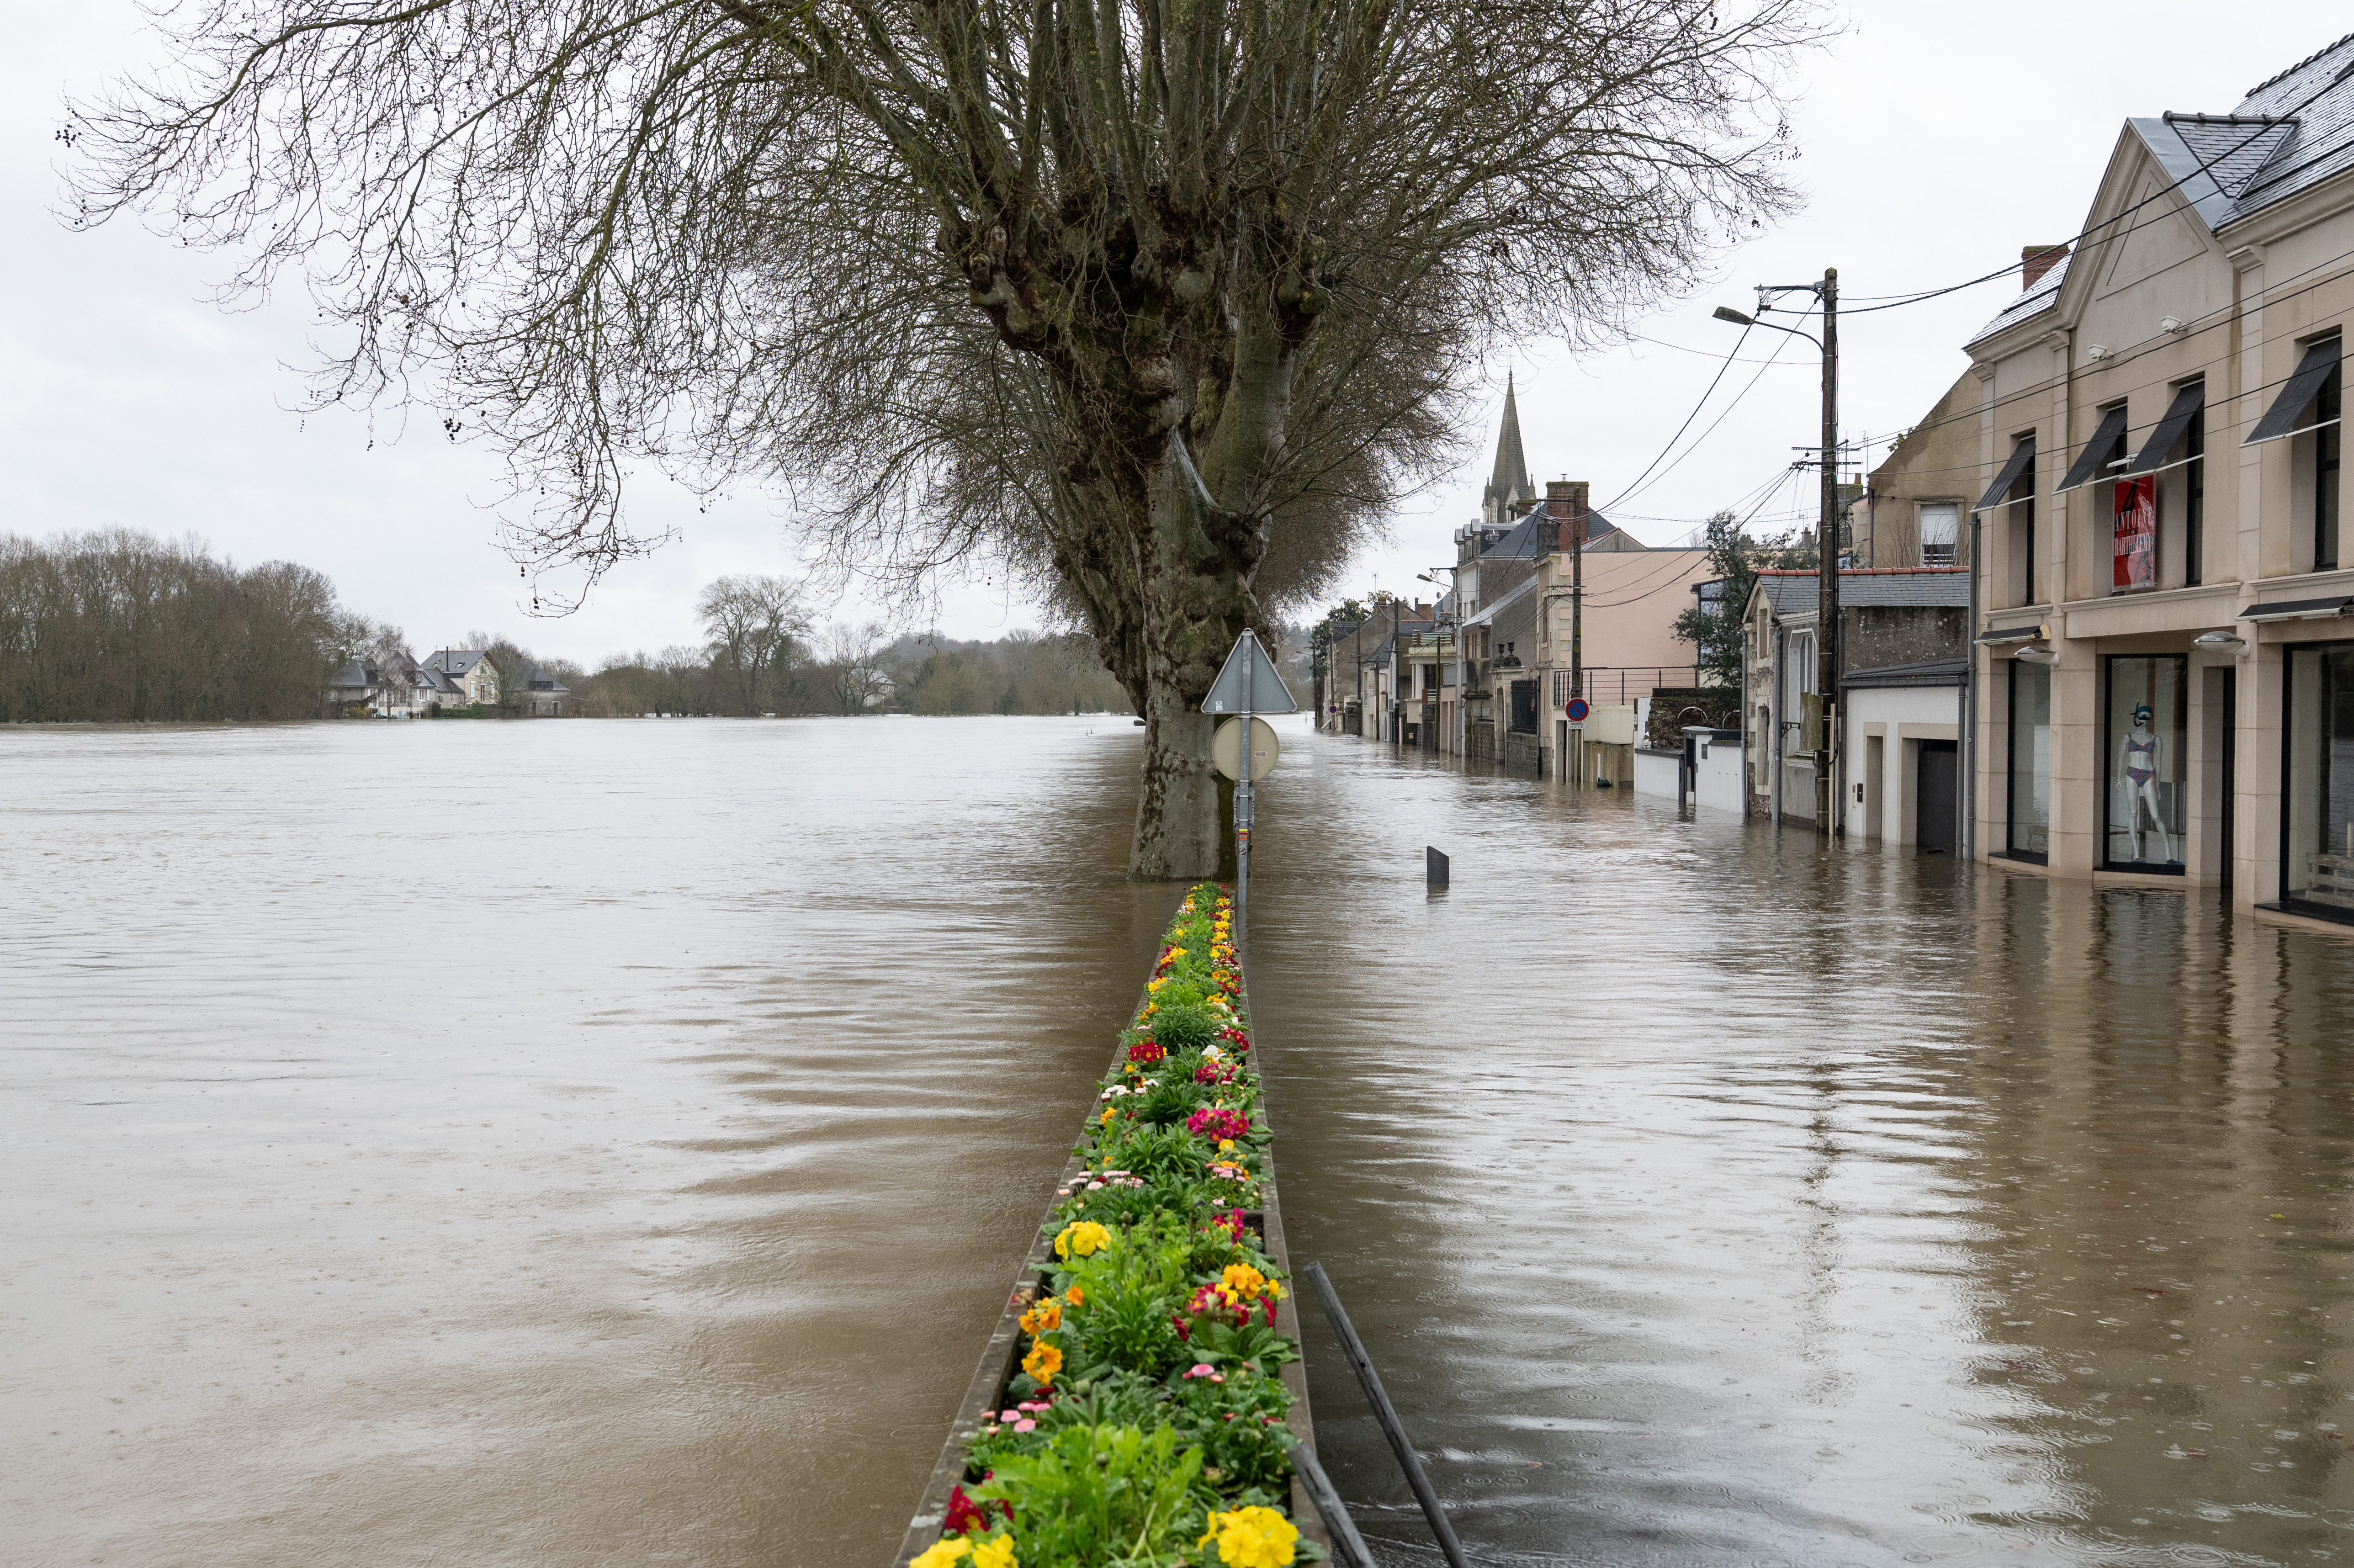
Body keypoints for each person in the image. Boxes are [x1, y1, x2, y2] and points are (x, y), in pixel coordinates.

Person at [2116, 702, 2174, 863]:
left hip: (2149, 775)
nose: (2145, 721)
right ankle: (2136, 854)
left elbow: (2158, 764)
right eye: (2142, 718)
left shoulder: (2156, 739)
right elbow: (2121, 757)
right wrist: (2119, 777)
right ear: (2137, 718)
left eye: (2147, 718)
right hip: (2132, 774)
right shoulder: (2127, 737)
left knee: (2156, 815)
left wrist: (2159, 787)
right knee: (2133, 813)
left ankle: (2169, 855)